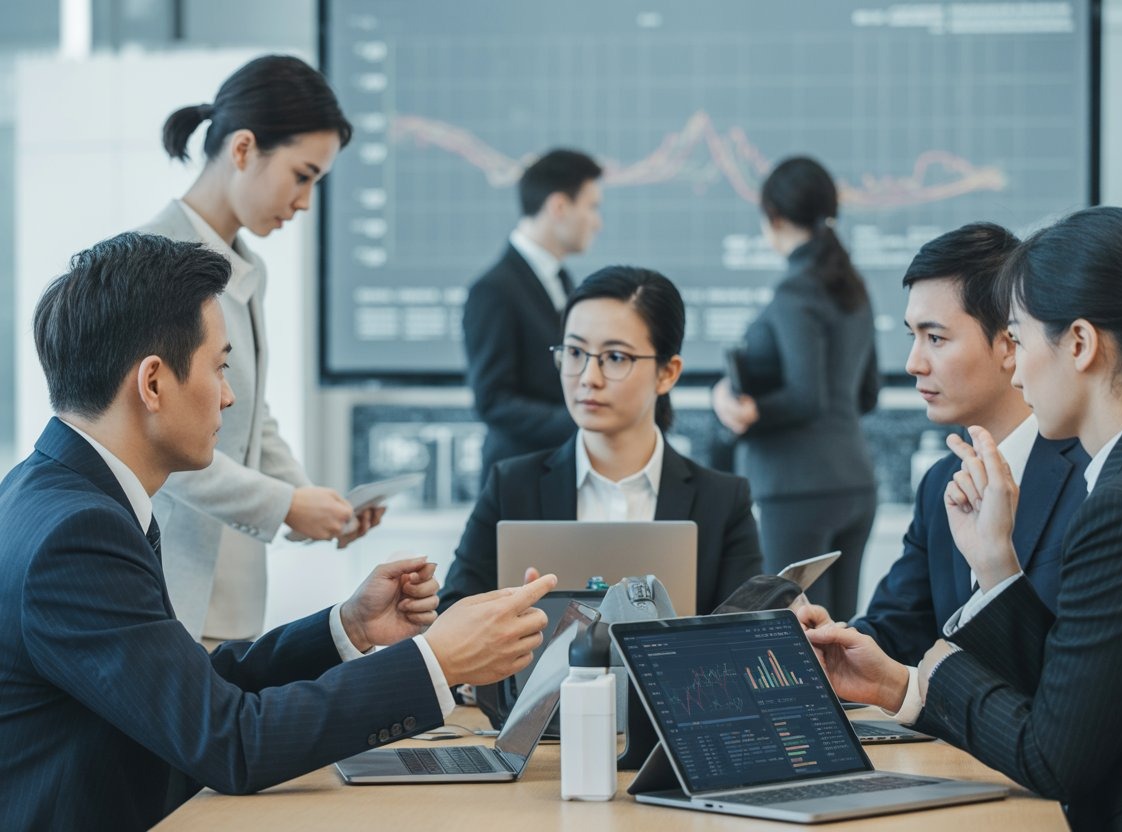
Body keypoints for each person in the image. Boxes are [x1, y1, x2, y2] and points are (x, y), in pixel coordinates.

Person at [0, 232, 557, 832]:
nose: (230, 395)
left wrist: (347, 626)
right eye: (220, 368)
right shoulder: (79, 534)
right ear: (154, 383)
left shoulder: (51, 491)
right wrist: (438, 659)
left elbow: (193, 689)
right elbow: (233, 741)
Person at [806, 207, 1122, 830]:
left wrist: (931, 670)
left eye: (1020, 339)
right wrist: (994, 568)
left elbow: (1052, 755)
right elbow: (1065, 698)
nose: (1018, 368)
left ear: (1078, 344)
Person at [140, 54, 376, 642]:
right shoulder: (149, 260)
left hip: (230, 595)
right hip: (166, 582)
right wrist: (286, 505)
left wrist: (307, 500)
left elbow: (248, 414)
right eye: (303, 175)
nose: (305, 202)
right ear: (243, 149)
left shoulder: (245, 268)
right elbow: (156, 440)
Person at [803, 223, 1089, 664]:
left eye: (935, 338)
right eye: (911, 337)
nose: (913, 363)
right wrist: (825, 644)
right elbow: (897, 629)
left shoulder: (1091, 476)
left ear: (1009, 342)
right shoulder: (941, 483)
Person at [441, 266, 764, 615]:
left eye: (615, 358)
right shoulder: (511, 487)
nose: (588, 378)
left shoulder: (722, 502)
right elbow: (451, 617)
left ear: (667, 373)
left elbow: (743, 641)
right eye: (576, 353)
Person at [712, 156, 878, 619]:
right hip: (855, 485)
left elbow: (807, 396)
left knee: (789, 636)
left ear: (775, 216)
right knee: (839, 638)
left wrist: (742, 408)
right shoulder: (853, 289)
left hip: (798, 491)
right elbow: (867, 395)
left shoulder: (794, 291)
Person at [464, 148, 604, 487]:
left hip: (560, 470)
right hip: (518, 479)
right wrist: (584, 420)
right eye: (592, 207)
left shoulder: (563, 280)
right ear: (558, 206)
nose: (597, 222)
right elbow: (493, 401)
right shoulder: (494, 289)